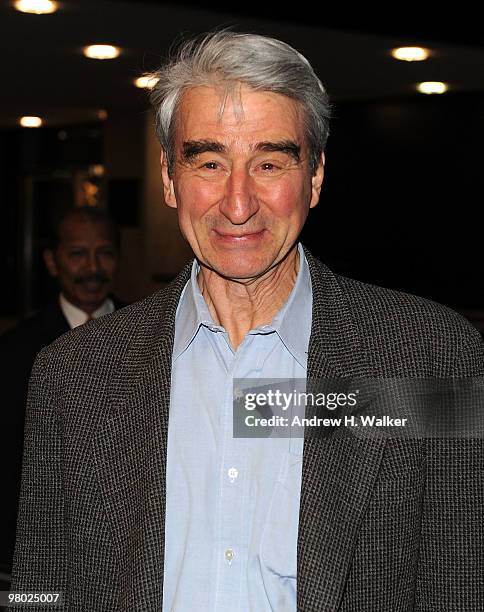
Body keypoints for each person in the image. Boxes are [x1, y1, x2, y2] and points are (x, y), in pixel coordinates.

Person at [10, 32, 483, 611]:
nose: (238, 203)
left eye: (268, 162)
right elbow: (40, 589)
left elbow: (461, 581)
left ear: (314, 177)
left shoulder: (431, 357)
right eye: (208, 162)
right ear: (167, 179)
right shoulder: (75, 375)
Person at [0, 206, 122, 577]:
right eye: (77, 254)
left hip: (124, 556)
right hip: (37, 556)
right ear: (52, 263)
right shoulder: (15, 353)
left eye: (104, 253)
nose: (93, 268)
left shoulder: (152, 338)